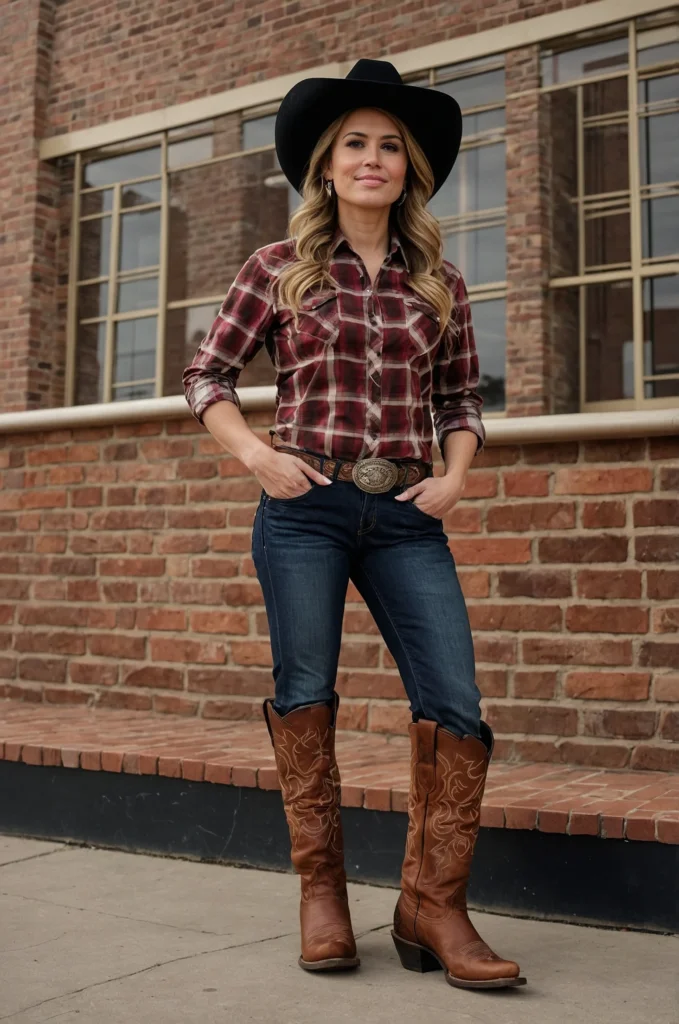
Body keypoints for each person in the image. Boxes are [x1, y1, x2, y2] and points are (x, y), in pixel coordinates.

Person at [183, 58, 526, 991]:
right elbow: (206, 376)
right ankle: (322, 896)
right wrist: (256, 456)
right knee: (305, 693)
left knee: (454, 705)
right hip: (305, 512)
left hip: (409, 514)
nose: (371, 160)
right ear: (325, 168)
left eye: (387, 147)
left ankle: (433, 905)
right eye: (353, 146)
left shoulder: (439, 282)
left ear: (408, 169)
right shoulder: (277, 270)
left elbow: (461, 396)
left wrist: (453, 478)